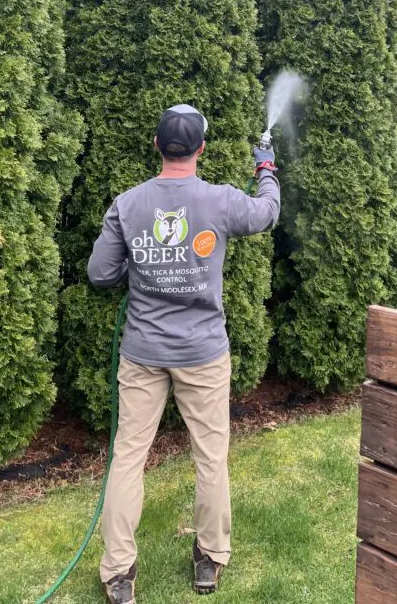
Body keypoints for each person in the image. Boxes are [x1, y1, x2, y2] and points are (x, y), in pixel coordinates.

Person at [87, 104, 280, 602]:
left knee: (128, 458)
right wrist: (266, 168)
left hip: (143, 352)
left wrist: (140, 270)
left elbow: (100, 274)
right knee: (211, 459)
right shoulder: (217, 200)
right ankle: (209, 562)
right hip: (203, 353)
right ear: (201, 149)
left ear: (157, 146)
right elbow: (267, 213)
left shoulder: (128, 204)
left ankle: (118, 575)